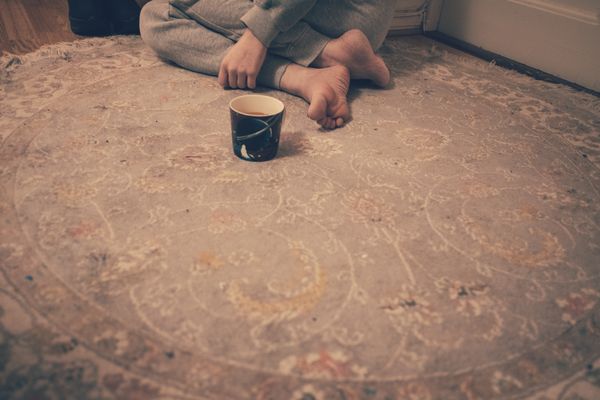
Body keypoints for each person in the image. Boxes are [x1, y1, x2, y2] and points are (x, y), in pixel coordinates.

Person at [140, 0, 396, 129]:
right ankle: (305, 74)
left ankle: (325, 52)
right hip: (339, 18)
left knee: (175, 5)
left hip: (345, 10)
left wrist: (257, 35)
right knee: (156, 15)